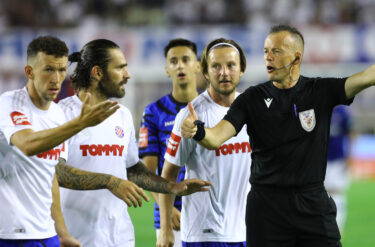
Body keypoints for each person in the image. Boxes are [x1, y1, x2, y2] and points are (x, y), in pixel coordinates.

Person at [181, 24, 375, 247]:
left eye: (276, 51)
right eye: (265, 51)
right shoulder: (251, 98)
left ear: (296, 57)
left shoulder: (320, 91)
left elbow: (366, 77)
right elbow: (216, 138)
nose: (268, 57)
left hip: (312, 204)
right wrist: (198, 131)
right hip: (266, 209)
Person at [58, 39, 211, 247]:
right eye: (120, 68)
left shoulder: (122, 115)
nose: (127, 75)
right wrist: (110, 181)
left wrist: (172, 187)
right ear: (97, 72)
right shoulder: (61, 114)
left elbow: (132, 170)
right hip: (77, 237)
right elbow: (57, 172)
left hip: (120, 236)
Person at [0, 36, 119, 247]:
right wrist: (81, 124)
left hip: (47, 232)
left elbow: (51, 175)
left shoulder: (58, 114)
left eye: (62, 70)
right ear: (29, 72)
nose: (57, 79)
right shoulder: (9, 103)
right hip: (13, 234)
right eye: (48, 70)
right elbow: (28, 144)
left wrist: (62, 233)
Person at [157, 38, 251, 247]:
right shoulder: (190, 115)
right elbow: (168, 175)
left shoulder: (251, 110)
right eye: (216, 66)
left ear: (241, 69)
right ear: (206, 73)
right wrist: (165, 229)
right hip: (204, 233)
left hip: (246, 230)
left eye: (230, 65)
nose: (224, 72)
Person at [138, 38, 200, 246]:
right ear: (167, 69)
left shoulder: (211, 108)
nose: (180, 65)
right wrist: (167, 210)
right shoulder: (153, 112)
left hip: (206, 209)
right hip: (170, 216)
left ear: (197, 65)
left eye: (185, 59)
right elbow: (147, 171)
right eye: (174, 61)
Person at [325, 105, 352, 233]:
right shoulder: (320, 105)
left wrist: (350, 156)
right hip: (320, 159)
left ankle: (338, 225)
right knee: (323, 193)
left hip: (337, 159)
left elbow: (352, 132)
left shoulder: (342, 111)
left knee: (336, 192)